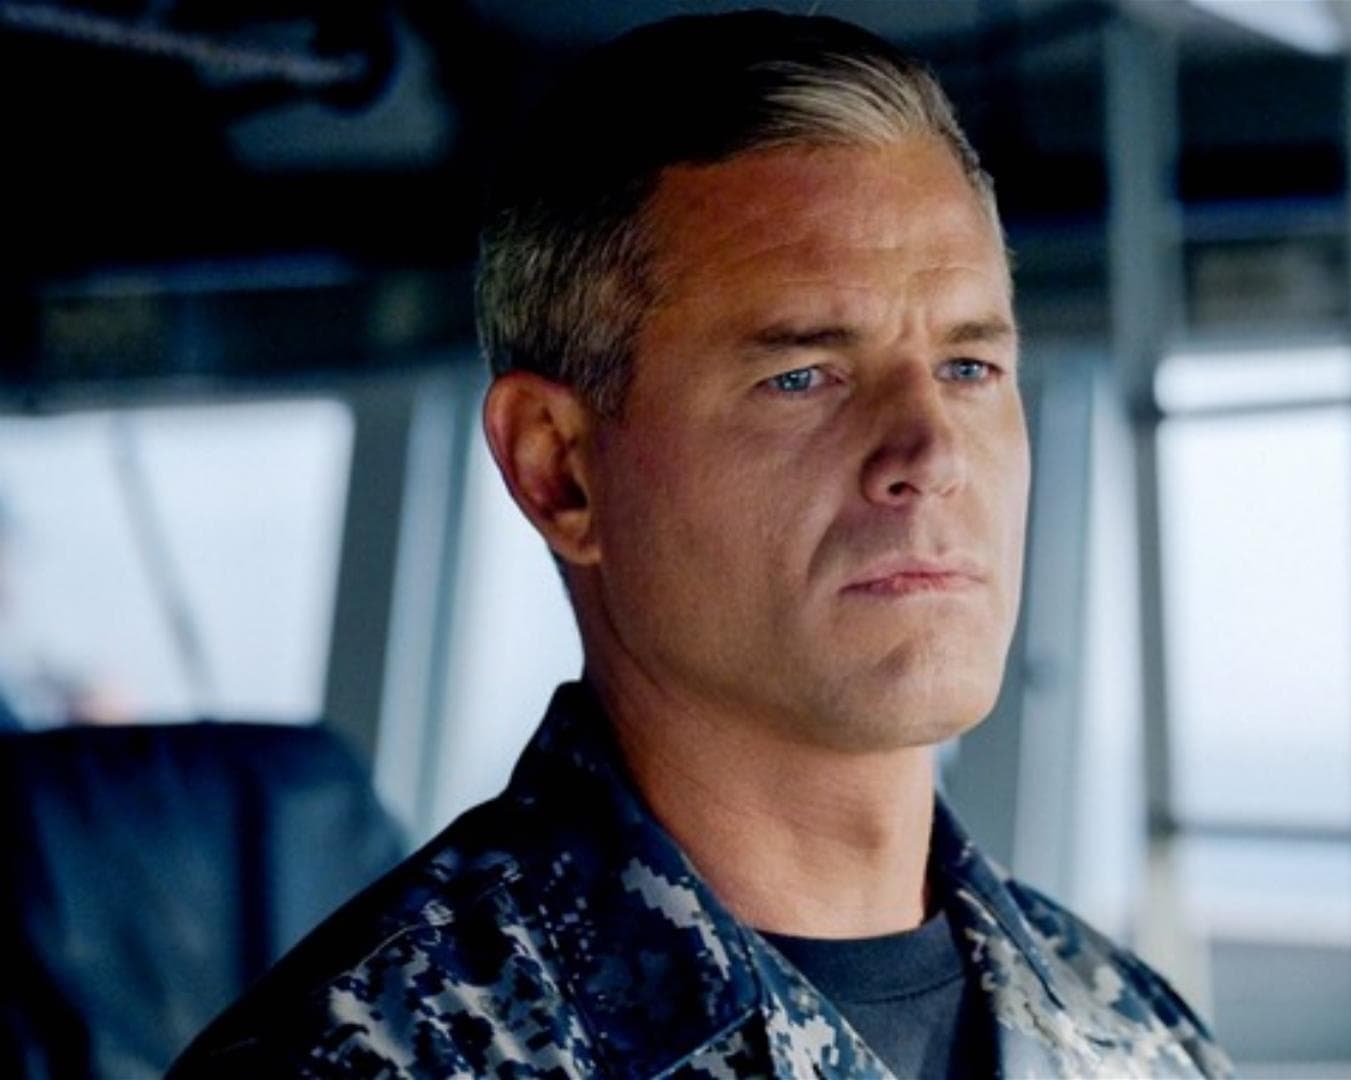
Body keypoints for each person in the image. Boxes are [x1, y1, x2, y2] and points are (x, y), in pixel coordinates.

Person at [170, 11, 1230, 1078]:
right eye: (802, 377)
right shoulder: (365, 1058)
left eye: (969, 368)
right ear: (560, 470)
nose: (932, 453)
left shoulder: (1138, 1037)